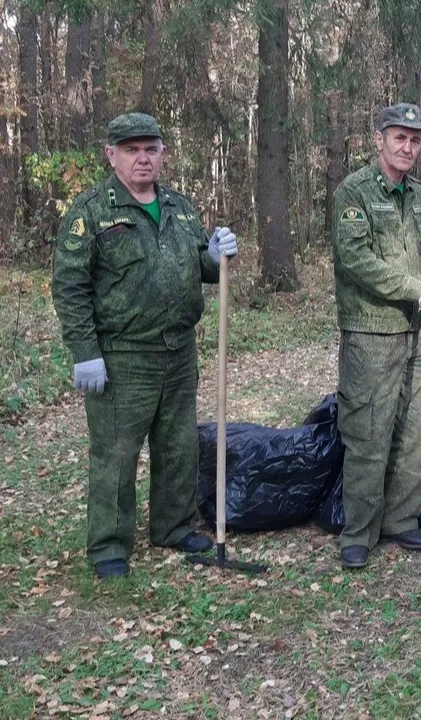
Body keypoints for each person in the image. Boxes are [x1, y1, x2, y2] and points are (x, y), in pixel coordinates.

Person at [52, 112, 237, 580]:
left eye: (150, 149)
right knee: (116, 454)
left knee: (178, 447)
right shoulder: (91, 211)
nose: (142, 158)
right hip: (122, 356)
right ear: (111, 155)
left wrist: (214, 255)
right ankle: (110, 543)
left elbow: (201, 264)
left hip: (178, 352)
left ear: (162, 153)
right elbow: (69, 285)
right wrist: (84, 350)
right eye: (131, 150)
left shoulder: (179, 206)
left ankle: (172, 526)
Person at [331, 102, 421, 569]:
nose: (408, 146)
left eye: (416, 139)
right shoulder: (354, 192)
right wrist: (417, 288)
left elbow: (413, 252)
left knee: (416, 427)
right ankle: (358, 531)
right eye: (399, 137)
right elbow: (357, 261)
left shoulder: (417, 192)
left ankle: (400, 520)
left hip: (416, 330)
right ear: (379, 138)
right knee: (368, 430)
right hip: (371, 331)